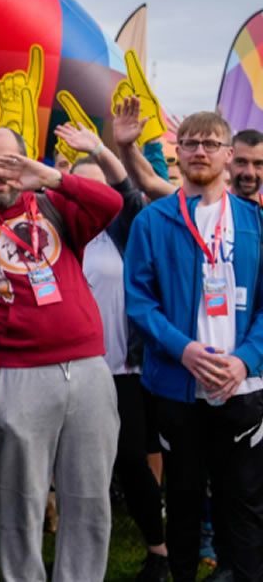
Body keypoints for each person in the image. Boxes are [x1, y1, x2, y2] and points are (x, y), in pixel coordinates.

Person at [0, 127, 122, 582]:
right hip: (19, 378)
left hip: (87, 370)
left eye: (9, 160)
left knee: (88, 496)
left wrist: (53, 178)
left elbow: (113, 204)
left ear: (26, 163)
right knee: (20, 500)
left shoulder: (56, 206)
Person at [124, 112, 263, 581]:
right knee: (182, 501)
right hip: (177, 389)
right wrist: (183, 350)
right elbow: (140, 303)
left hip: (241, 391)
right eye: (190, 143)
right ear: (177, 153)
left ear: (228, 154)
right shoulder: (153, 221)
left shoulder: (255, 222)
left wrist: (245, 362)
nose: (199, 150)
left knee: (240, 502)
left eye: (210, 143)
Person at [57, 126, 169, 582]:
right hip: (65, 370)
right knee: (68, 468)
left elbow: (128, 191)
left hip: (120, 370)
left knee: (129, 461)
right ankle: (75, 558)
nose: (90, 195)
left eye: (97, 186)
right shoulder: (57, 237)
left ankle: (159, 552)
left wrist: (103, 151)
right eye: (80, 186)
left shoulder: (124, 233)